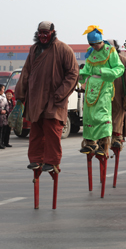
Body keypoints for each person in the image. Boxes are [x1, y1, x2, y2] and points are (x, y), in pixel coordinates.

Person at [15, 21, 79, 173]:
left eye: (46, 33)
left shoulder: (63, 49)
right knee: (36, 131)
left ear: (52, 33)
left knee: (52, 131)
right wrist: (20, 95)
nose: (43, 36)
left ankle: (52, 161)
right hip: (36, 98)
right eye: (40, 33)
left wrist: (60, 94)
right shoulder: (34, 49)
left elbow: (73, 74)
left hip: (54, 99)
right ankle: (36, 160)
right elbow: (25, 72)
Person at [79, 25, 125, 155]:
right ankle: (90, 143)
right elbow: (87, 68)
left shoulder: (110, 51)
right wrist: (81, 75)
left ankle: (103, 144)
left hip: (104, 85)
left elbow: (119, 69)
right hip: (90, 87)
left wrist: (104, 72)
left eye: (96, 44)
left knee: (102, 114)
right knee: (89, 115)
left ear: (101, 41)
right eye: (92, 45)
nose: (95, 47)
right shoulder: (91, 52)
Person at [107, 39, 126, 149]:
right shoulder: (101, 60)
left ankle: (116, 139)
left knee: (118, 116)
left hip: (118, 94)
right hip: (104, 95)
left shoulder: (122, 60)